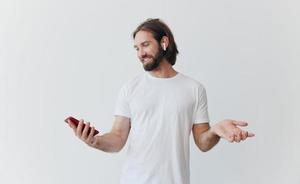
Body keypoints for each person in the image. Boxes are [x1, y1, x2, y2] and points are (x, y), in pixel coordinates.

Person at [67, 18, 255, 184]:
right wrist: (93, 141)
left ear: (164, 42)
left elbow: (203, 143)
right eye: (137, 48)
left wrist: (215, 130)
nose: (140, 53)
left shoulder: (194, 89)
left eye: (145, 45)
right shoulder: (130, 88)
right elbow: (117, 139)